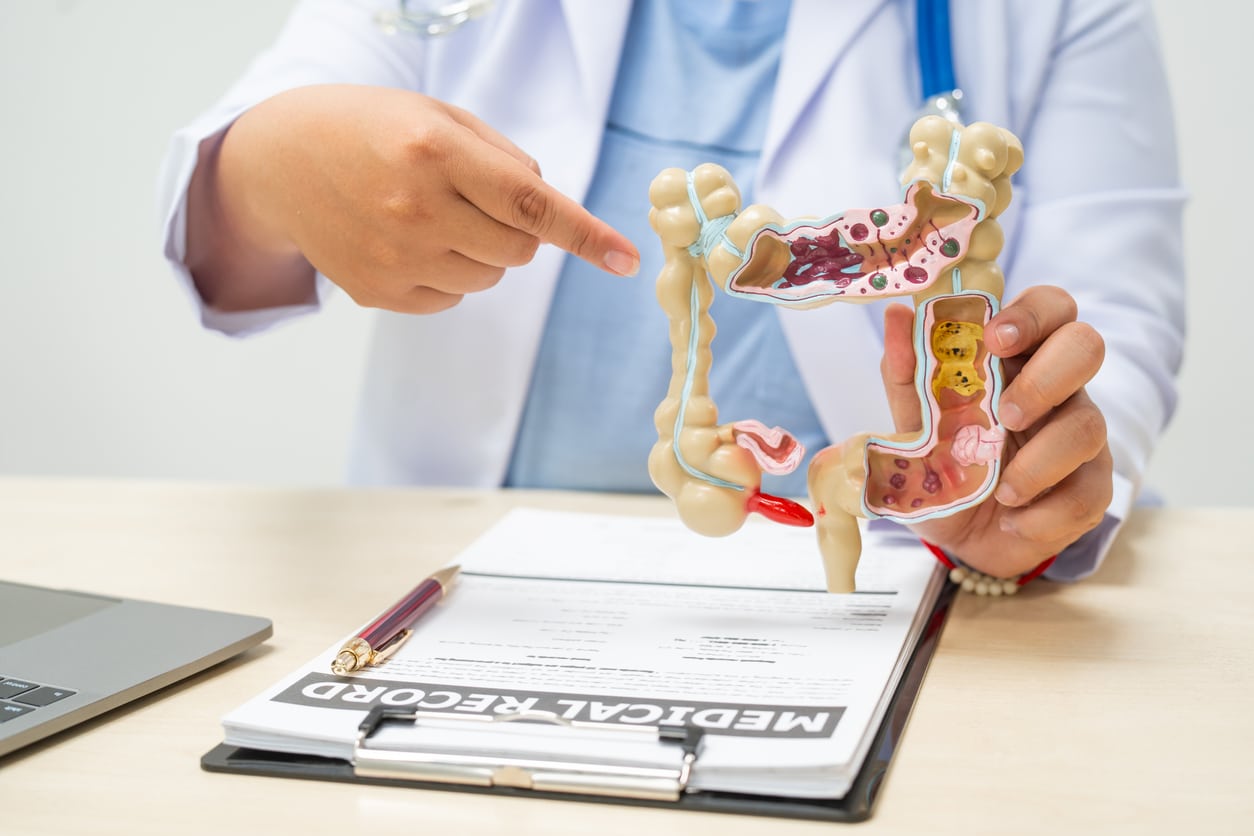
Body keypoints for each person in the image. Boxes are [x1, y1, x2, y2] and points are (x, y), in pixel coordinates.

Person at [158, 0, 1185, 583]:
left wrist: (1038, 468)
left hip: (889, 592)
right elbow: (237, 217)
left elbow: (1113, 315)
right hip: (471, 588)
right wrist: (274, 162)